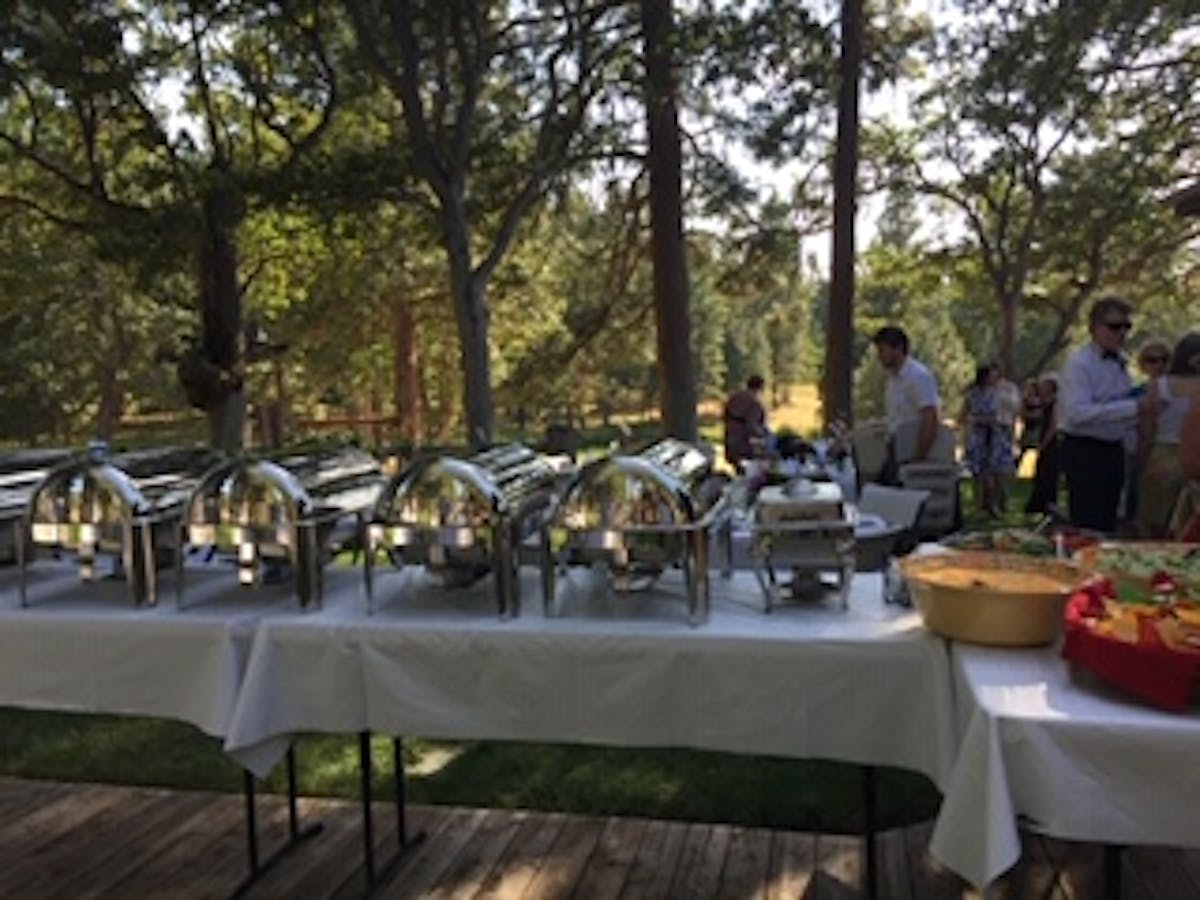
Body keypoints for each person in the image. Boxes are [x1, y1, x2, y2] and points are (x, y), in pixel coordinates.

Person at [1058, 297, 1160, 532]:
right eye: (1114, 327)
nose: (1121, 333)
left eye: (1126, 327)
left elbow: (1116, 407)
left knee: (1107, 522)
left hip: (1113, 450)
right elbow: (1077, 414)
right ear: (1094, 328)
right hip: (1085, 450)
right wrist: (1135, 408)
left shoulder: (1120, 364)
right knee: (1087, 523)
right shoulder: (1080, 365)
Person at [1137, 332, 1200, 537]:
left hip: (1160, 454)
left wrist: (1142, 456)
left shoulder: (1159, 385)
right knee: (1185, 521)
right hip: (1194, 457)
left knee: (1153, 518)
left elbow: (1147, 427)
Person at [873, 326, 941, 481]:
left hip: (912, 452)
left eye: (882, 351)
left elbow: (930, 419)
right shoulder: (892, 380)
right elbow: (900, 417)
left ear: (898, 349)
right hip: (896, 450)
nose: (879, 357)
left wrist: (918, 459)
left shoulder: (918, 377)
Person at [961, 363, 1014, 517]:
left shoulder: (994, 393)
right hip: (979, 436)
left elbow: (997, 415)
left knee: (995, 471)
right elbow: (965, 414)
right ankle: (982, 503)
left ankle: (994, 503)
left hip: (993, 435)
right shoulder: (974, 394)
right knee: (980, 472)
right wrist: (973, 422)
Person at [1024, 373, 1061, 515]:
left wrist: (1044, 443)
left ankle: (1048, 503)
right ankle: (1040, 503)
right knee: (1041, 471)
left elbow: (1053, 425)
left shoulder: (1056, 403)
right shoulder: (1044, 402)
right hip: (1043, 439)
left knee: (1049, 472)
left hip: (1051, 442)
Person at [723, 374, 768, 469]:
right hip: (744, 445)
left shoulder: (733, 398)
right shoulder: (755, 403)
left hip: (729, 439)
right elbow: (752, 426)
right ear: (761, 387)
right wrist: (765, 435)